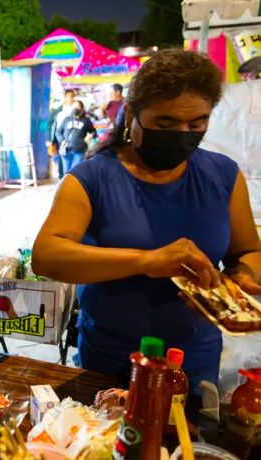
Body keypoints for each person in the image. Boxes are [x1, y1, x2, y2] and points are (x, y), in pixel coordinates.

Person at [32, 49, 261, 391]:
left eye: (196, 124)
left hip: (193, 357)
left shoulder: (223, 175)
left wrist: (239, 280)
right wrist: (146, 261)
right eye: (165, 124)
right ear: (131, 117)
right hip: (111, 358)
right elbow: (46, 256)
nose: (182, 133)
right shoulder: (91, 178)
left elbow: (246, 250)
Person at [56, 100, 96, 173]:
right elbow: (58, 132)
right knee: (66, 172)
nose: (75, 108)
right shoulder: (67, 119)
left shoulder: (86, 120)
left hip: (79, 150)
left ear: (81, 109)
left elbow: (93, 131)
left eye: (77, 106)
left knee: (75, 172)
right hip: (66, 150)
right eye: (74, 106)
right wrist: (62, 141)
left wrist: (90, 136)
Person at [47, 89, 75, 178]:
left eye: (73, 96)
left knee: (71, 160)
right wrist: (49, 139)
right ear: (65, 97)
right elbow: (51, 125)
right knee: (61, 159)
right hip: (60, 139)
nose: (73, 99)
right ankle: (61, 178)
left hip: (72, 139)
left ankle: (70, 178)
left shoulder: (76, 110)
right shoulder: (57, 112)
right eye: (71, 96)